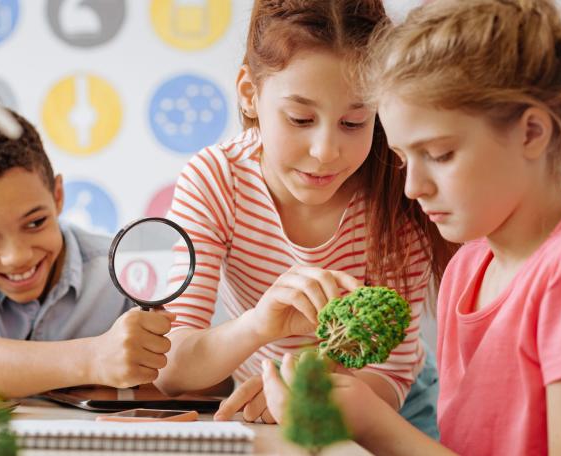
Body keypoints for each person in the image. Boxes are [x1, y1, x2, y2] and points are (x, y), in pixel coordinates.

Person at [262, 0, 561, 454]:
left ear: (531, 133)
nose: (413, 187)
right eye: (403, 159)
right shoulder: (467, 269)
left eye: (438, 154)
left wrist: (374, 424)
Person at [153, 0, 456, 438]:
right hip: (267, 408)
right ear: (249, 93)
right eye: (300, 118)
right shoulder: (217, 180)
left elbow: (390, 374)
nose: (325, 151)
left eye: (354, 122)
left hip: (392, 411)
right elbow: (171, 369)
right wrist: (260, 324)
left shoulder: (399, 191)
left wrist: (311, 395)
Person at [0, 107, 176, 398]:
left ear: (58, 196)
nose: (16, 257)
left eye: (34, 223)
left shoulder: (120, 266)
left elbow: (182, 375)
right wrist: (94, 358)